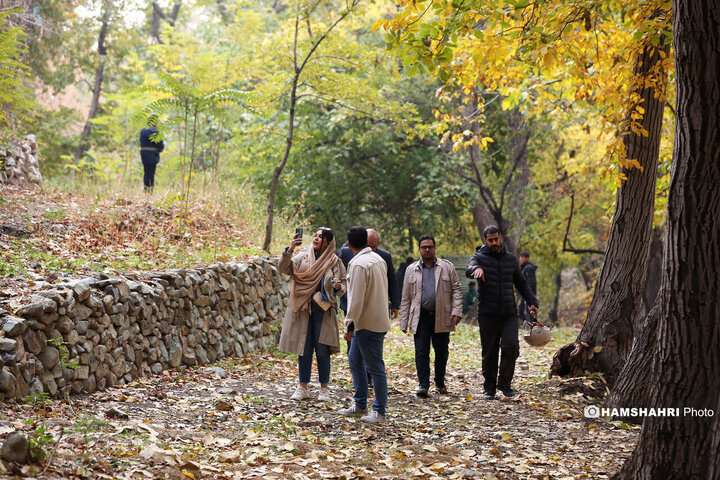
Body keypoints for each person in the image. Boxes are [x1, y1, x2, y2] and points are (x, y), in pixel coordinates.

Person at [466, 225, 538, 400]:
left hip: (508, 313)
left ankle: (504, 383)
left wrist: (532, 302)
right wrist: (477, 270)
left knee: (511, 346)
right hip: (487, 313)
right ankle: (489, 387)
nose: (494, 243)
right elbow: (470, 268)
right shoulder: (479, 257)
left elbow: (521, 283)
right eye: (490, 240)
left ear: (500, 238)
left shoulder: (510, 259)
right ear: (485, 240)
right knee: (489, 351)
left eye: (496, 239)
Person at [278, 228, 346, 402]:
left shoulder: (335, 262)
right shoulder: (303, 257)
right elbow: (284, 268)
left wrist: (338, 287)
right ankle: (303, 387)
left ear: (328, 242)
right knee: (304, 348)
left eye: (320, 237)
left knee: (323, 350)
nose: (316, 239)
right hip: (303, 309)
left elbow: (343, 288)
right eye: (315, 236)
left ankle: (324, 389)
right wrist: (290, 249)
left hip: (323, 311)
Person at [399, 234, 463, 397]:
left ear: (434, 248)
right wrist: (404, 321)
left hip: (442, 315)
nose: (427, 249)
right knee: (421, 351)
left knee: (442, 351)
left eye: (430, 247)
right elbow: (406, 297)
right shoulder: (411, 269)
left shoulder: (446, 267)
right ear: (419, 249)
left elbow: (456, 289)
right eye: (424, 247)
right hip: (420, 317)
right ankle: (423, 384)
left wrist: (457, 310)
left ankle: (440, 382)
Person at [339, 226, 390, 424]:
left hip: (366, 323)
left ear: (349, 244)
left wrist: (348, 326)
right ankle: (360, 403)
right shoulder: (378, 259)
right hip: (374, 320)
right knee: (355, 361)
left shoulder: (358, 264)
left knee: (375, 367)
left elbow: (356, 299)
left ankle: (380, 411)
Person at [139, 115, 164, 192]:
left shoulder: (142, 130)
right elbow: (159, 144)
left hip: (144, 154)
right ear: (155, 121)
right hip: (152, 154)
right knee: (151, 173)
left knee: (146, 172)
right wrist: (160, 149)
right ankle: (150, 191)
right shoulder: (155, 130)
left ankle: (146, 189)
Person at [517, 252, 537, 326]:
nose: (520, 259)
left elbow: (531, 282)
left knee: (530, 310)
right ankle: (528, 325)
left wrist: (530, 295)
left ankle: (533, 325)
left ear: (526, 258)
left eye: (522, 257)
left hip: (528, 293)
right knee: (520, 310)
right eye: (520, 257)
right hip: (523, 293)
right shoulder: (524, 267)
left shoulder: (528, 268)